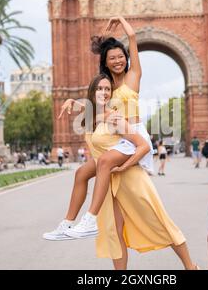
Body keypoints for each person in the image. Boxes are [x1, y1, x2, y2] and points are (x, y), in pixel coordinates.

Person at [50, 75, 199, 270]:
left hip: (131, 179)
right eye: (100, 89)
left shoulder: (115, 118)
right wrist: (72, 101)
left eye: (107, 90)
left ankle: (191, 267)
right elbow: (89, 114)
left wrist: (126, 165)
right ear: (92, 93)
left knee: (160, 223)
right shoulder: (92, 117)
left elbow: (143, 146)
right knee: (114, 232)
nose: (104, 92)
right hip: (110, 183)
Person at [43, 16, 154, 240]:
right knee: (81, 173)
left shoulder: (133, 77)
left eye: (120, 57)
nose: (117, 61)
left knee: (103, 162)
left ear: (127, 58)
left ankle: (91, 219)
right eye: (112, 58)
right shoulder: (108, 85)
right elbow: (97, 108)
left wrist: (119, 20)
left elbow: (132, 38)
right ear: (106, 62)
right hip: (119, 136)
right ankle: (67, 224)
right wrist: (74, 103)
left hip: (133, 137)